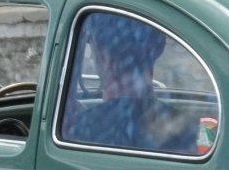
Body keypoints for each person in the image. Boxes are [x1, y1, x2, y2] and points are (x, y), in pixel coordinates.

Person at [65, 12, 197, 154]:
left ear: (105, 58)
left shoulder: (76, 132)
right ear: (157, 51)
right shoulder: (187, 130)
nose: (92, 56)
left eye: (93, 47)